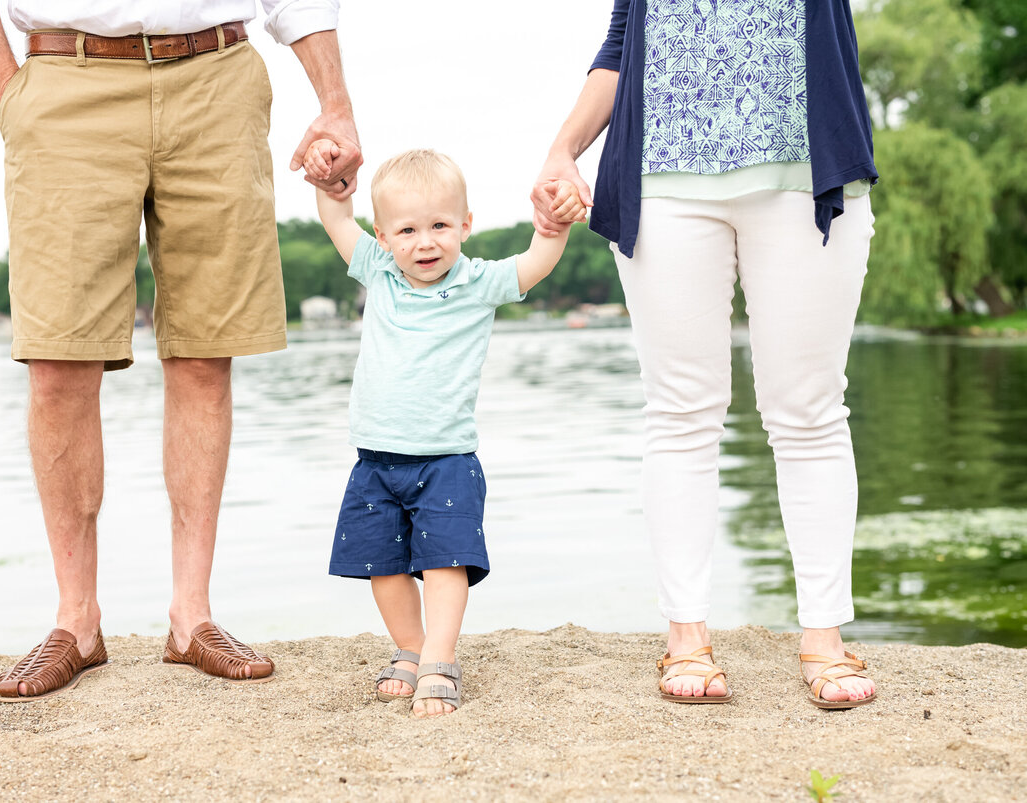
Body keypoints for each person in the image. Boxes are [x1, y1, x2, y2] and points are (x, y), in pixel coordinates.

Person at [0, 0, 362, 701]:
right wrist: (5, 87)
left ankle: (190, 617)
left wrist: (335, 100)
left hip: (218, 76)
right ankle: (75, 621)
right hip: (64, 79)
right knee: (57, 359)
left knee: (205, 351)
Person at [531, 0, 879, 708]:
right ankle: (686, 637)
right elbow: (624, 40)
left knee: (809, 410)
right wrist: (564, 147)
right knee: (681, 412)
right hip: (664, 186)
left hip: (806, 172)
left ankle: (825, 637)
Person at [306, 144, 583, 716]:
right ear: (383, 236)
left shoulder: (479, 282)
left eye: (439, 225)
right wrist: (334, 191)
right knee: (381, 567)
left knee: (444, 562)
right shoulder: (378, 271)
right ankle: (408, 649)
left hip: (446, 459)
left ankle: (439, 655)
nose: (424, 242)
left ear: (465, 225)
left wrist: (552, 228)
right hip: (376, 460)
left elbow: (534, 262)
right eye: (406, 230)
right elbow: (336, 219)